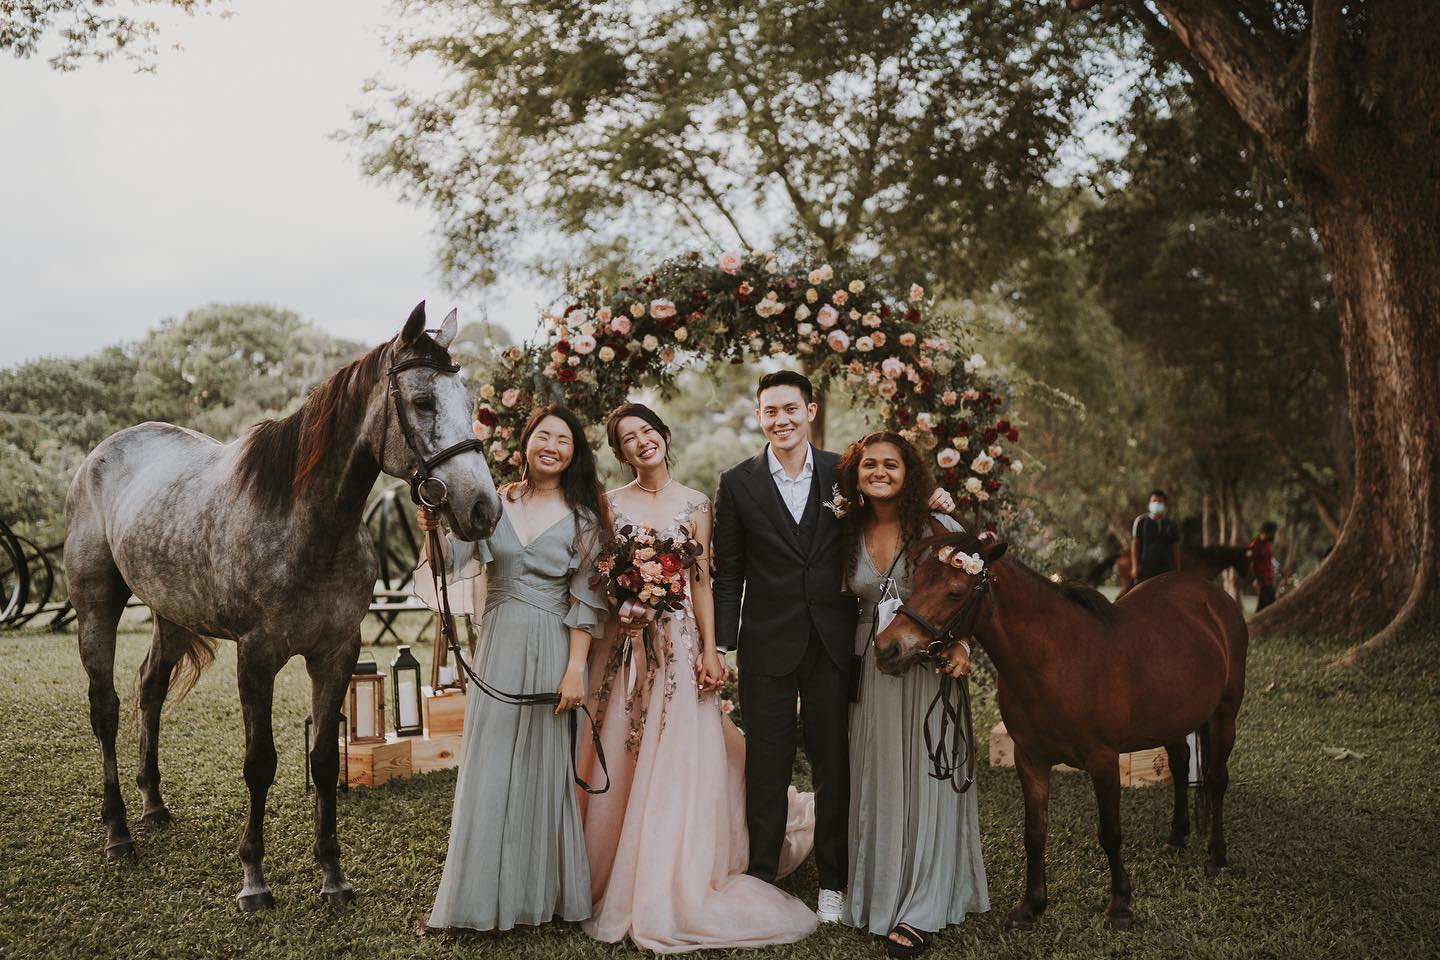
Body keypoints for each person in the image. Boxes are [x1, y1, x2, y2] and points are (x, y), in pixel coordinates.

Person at [712, 371, 955, 924]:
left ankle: (833, 883)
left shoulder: (844, 474)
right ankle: (761, 878)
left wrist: (933, 496)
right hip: (766, 644)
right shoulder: (737, 483)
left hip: (834, 642)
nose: (781, 420)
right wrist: (722, 645)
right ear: (759, 416)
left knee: (833, 765)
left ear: (810, 411)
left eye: (790, 409)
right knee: (767, 765)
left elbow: (893, 499)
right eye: (770, 411)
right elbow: (729, 571)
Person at [579, 402, 819, 952]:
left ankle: (672, 868)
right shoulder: (609, 504)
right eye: (628, 438)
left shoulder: (696, 503)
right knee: (624, 742)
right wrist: (624, 604)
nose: (642, 442)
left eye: (648, 431)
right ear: (620, 452)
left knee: (679, 750)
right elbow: (601, 574)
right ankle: (614, 864)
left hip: (680, 640)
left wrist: (711, 649)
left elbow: (703, 580)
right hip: (627, 641)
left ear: (664, 435)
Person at [415, 405, 610, 934]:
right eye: (543, 436)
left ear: (574, 454)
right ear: (525, 444)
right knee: (491, 762)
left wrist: (575, 669)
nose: (552, 446)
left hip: (553, 645)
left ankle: (538, 897)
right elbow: (451, 564)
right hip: (499, 642)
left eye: (564, 440)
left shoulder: (585, 519)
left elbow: (585, 601)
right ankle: (475, 900)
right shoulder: (494, 502)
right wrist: (434, 528)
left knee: (543, 769)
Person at [837, 432, 988, 957]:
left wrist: (964, 644)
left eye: (891, 464)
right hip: (868, 663)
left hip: (926, 664)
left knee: (926, 776)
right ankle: (877, 891)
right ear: (855, 474)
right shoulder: (847, 528)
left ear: (909, 473)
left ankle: (923, 903)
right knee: (876, 773)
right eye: (869, 464)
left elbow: (970, 594)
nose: (879, 472)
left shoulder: (938, 526)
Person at [1130, 489, 1180, 585]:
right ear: (1149, 503)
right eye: (1154, 501)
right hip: (1145, 568)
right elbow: (1135, 544)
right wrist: (1135, 566)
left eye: (1160, 501)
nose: (1156, 503)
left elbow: (1175, 548)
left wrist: (1177, 568)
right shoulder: (1141, 521)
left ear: (1165, 504)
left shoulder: (1171, 524)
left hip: (1165, 568)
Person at [1248, 521, 1279, 610]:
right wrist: (1253, 580)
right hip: (1261, 582)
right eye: (1273, 532)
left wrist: (1274, 575)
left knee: (1268, 607)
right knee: (1266, 608)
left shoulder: (1267, 545)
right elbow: (1249, 563)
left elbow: (1269, 561)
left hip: (1269, 581)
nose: (1274, 535)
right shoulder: (1255, 545)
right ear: (1267, 532)